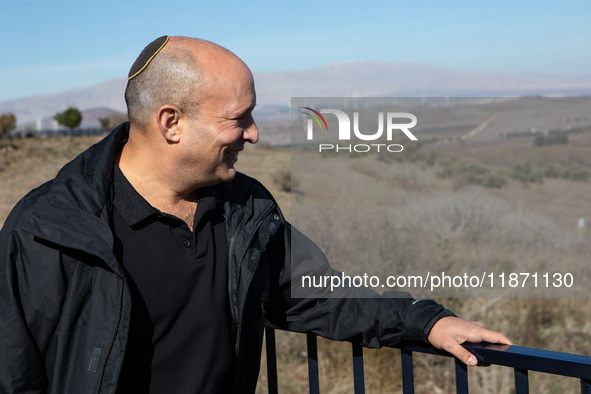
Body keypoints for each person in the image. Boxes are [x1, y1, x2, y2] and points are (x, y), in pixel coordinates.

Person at [0, 36, 511, 393]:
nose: (254, 133)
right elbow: (13, 373)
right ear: (171, 123)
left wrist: (426, 322)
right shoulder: (48, 231)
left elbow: (317, 294)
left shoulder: (246, 208)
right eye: (238, 118)